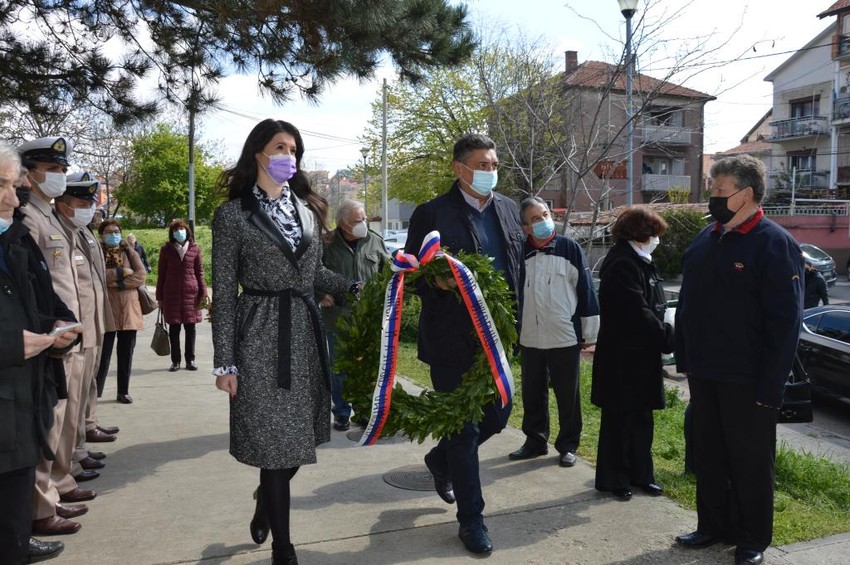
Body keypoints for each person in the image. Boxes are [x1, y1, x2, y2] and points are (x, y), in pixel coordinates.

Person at [211, 119, 355, 565]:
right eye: (280, 147)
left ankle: (265, 496)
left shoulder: (307, 211)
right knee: (273, 444)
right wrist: (224, 361)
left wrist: (359, 286)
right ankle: (284, 548)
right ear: (258, 153)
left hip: (305, 334)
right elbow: (223, 290)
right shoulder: (232, 215)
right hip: (258, 334)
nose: (288, 156)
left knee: (293, 445)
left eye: (294, 149)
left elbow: (314, 276)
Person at [674, 154, 804, 565]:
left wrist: (772, 387)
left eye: (718, 190)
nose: (711, 196)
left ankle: (751, 540)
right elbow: (689, 304)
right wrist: (686, 359)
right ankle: (712, 526)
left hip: (748, 380)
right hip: (705, 372)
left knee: (749, 463)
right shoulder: (706, 237)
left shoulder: (774, 243)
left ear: (745, 194)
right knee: (708, 456)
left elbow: (785, 325)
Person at [404, 133, 523, 555]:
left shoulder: (509, 209)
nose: (490, 171)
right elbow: (410, 272)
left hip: (499, 340)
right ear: (459, 168)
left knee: (498, 416)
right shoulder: (432, 213)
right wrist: (433, 281)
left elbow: (514, 268)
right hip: (452, 340)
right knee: (464, 427)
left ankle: (440, 460)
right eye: (482, 165)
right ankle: (472, 520)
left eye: (494, 164)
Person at [0, 140, 78, 564]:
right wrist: (11, 344)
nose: (15, 197)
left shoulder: (15, 235)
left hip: (24, 393)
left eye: (15, 185)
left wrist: (59, 325)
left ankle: (28, 525)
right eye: (3, 186)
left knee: (14, 507)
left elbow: (43, 296)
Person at [18, 136, 96, 536]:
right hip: (51, 338)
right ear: (29, 173)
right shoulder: (28, 216)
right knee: (50, 423)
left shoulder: (47, 214)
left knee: (64, 417)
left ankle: (56, 487)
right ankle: (40, 506)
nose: (60, 177)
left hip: (70, 332)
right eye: (53, 170)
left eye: (63, 170)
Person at [591, 206, 674, 501]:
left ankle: (642, 475)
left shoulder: (643, 261)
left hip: (642, 358)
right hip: (622, 359)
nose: (656, 240)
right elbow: (636, 311)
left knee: (642, 420)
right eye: (653, 234)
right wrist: (668, 337)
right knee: (620, 421)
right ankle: (616, 478)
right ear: (639, 234)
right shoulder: (622, 264)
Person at [508, 197, 599, 469]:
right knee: (533, 392)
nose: (543, 221)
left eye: (545, 214)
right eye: (535, 219)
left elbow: (585, 290)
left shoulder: (569, 248)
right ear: (525, 227)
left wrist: (589, 333)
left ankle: (568, 445)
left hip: (564, 335)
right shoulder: (519, 253)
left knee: (567, 394)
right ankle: (535, 441)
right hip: (530, 337)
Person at [319, 199, 389, 431]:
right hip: (338, 317)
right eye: (358, 221)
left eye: (364, 219)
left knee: (366, 366)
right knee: (339, 367)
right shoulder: (326, 243)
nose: (363, 224)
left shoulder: (374, 241)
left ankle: (363, 410)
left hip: (368, 318)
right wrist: (321, 293)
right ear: (343, 224)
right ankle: (341, 412)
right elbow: (311, 273)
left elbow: (388, 273)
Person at [95, 219, 146, 404]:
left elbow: (140, 275)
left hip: (128, 309)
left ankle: (123, 391)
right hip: (105, 308)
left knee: (126, 354)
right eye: (108, 232)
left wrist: (120, 284)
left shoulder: (129, 251)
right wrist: (121, 272)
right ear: (101, 235)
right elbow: (97, 275)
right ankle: (96, 391)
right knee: (102, 354)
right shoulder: (96, 252)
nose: (113, 235)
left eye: (116, 231)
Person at [155, 219, 208, 372]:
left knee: (190, 329)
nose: (180, 232)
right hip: (171, 294)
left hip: (191, 294)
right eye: (176, 230)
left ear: (187, 231)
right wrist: (160, 297)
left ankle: (190, 360)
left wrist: (203, 292)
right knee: (174, 329)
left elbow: (200, 272)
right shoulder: (166, 249)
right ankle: (175, 361)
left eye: (182, 229)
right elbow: (161, 275)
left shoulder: (194, 249)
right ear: (171, 233)